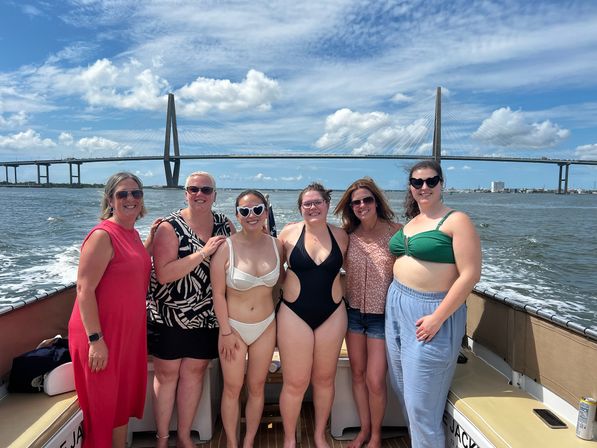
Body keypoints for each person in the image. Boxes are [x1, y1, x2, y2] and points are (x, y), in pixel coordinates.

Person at [386, 161, 481, 448]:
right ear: (410, 187)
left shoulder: (456, 220)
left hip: (431, 312)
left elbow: (471, 275)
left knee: (421, 405)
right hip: (397, 307)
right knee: (402, 389)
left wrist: (437, 318)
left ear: (442, 184)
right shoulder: (412, 221)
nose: (424, 187)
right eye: (417, 182)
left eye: (431, 181)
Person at [146, 171, 235, 447]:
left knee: (194, 374)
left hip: (206, 316)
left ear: (214, 196)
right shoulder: (169, 227)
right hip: (168, 314)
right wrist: (203, 253)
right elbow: (164, 274)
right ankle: (162, 438)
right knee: (167, 375)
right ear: (185, 193)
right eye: (193, 189)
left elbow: (240, 257)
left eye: (206, 190)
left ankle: (184, 436)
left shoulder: (224, 224)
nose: (200, 194)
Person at [68, 172, 154, 447]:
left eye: (136, 194)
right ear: (110, 199)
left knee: (120, 405)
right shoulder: (102, 235)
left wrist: (151, 241)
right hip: (101, 333)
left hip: (127, 334)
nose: (130, 199)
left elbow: (130, 270)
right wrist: (96, 340)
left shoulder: (133, 234)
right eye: (122, 194)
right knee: (103, 409)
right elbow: (84, 290)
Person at [277, 182, 349, 448]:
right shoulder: (287, 234)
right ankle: (288, 439)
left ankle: (319, 435)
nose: (312, 207)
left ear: (328, 204)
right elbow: (274, 270)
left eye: (317, 202)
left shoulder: (342, 236)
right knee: (295, 382)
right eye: (307, 203)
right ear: (300, 208)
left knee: (324, 380)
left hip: (332, 313)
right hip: (294, 313)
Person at [211, 189, 283, 448]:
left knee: (256, 387)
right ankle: (232, 442)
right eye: (244, 211)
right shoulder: (225, 247)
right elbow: (218, 294)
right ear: (237, 216)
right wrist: (225, 331)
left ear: (265, 212)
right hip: (234, 328)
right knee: (232, 388)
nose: (251, 215)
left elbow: (280, 287)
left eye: (257, 209)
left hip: (266, 326)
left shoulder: (278, 246)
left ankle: (249, 440)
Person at [334, 177, 402, 448]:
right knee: (358, 375)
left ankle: (375, 436)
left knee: (375, 380)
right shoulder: (348, 236)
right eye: (356, 202)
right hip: (353, 314)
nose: (362, 205)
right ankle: (363, 431)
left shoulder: (396, 233)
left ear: (377, 202)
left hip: (381, 317)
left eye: (367, 200)